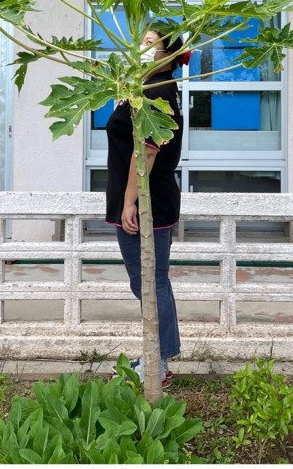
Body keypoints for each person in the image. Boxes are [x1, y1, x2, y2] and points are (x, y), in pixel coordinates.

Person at [106, 25, 188, 389]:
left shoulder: (159, 92)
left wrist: (130, 201)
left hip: (147, 200)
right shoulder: (141, 90)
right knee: (146, 282)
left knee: (151, 281)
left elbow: (149, 151)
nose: (142, 47)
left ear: (167, 55)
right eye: (142, 40)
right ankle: (156, 353)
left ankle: (162, 361)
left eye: (150, 43)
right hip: (139, 198)